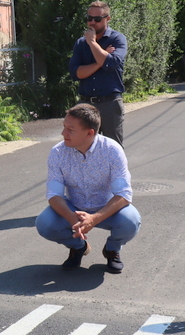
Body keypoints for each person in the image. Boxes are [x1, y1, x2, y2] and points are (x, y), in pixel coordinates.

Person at [36, 103, 141, 273]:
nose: (64, 133)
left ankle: (112, 249)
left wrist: (94, 218)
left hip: (106, 208)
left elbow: (123, 194)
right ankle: (78, 246)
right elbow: (54, 194)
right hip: (74, 208)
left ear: (90, 132)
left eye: (70, 129)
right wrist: (71, 218)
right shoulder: (58, 152)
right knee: (45, 223)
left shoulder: (112, 150)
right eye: (64, 127)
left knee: (131, 221)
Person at [68, 1, 128, 146]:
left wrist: (93, 43)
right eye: (89, 18)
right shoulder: (81, 43)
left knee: (113, 149)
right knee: (82, 147)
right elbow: (76, 73)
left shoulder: (118, 39)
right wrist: (100, 60)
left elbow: (111, 64)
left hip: (110, 103)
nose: (92, 22)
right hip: (85, 103)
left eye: (97, 19)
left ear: (108, 19)